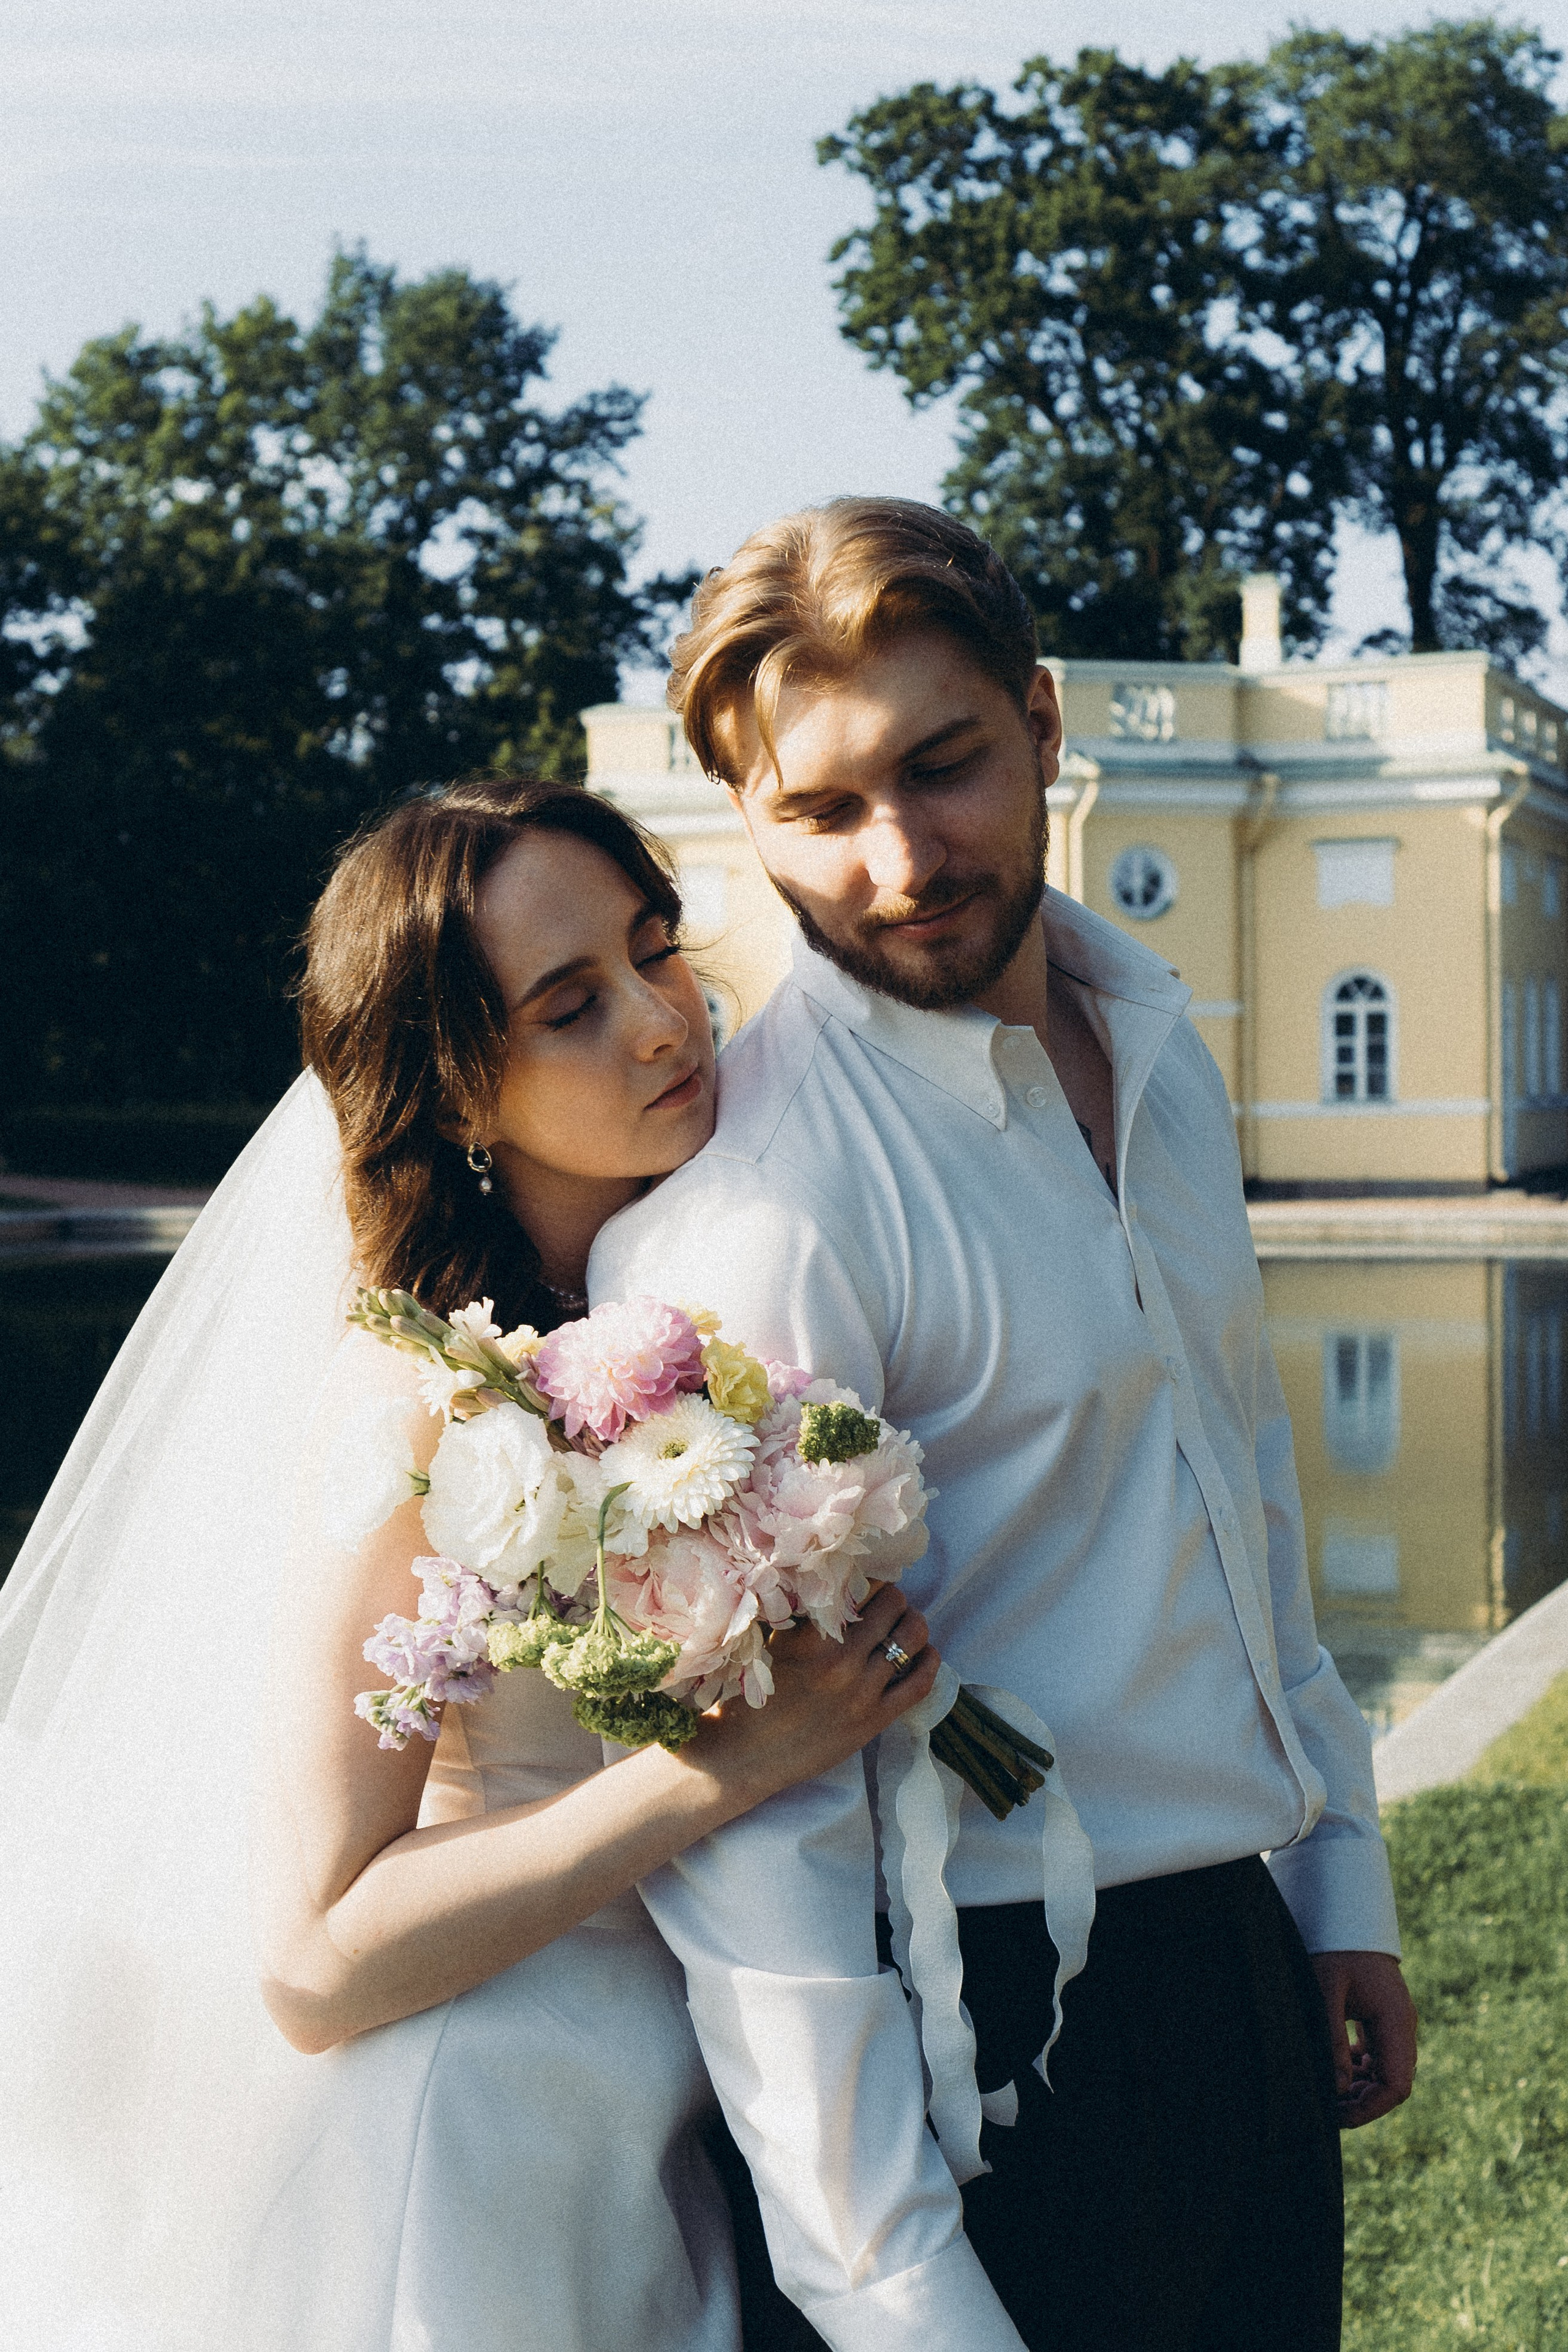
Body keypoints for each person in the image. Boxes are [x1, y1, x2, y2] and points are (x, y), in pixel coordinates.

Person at [589, 499, 1420, 2352]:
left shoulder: (1155, 1048)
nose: (899, 861)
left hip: (1234, 1969)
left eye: (942, 766)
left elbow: (1244, 1480)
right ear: (744, 823)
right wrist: (901, 2299)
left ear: (1042, 726)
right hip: (980, 2048)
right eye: (819, 809)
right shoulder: (762, 1218)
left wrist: (1332, 1878)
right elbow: (755, 1856)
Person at [0, 775, 937, 2352]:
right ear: (451, 1093)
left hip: (647, 2117)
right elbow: (314, 1959)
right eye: (571, 1007)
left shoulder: (683, 1311)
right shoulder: (416, 1401)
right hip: (460, 2145)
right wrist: (723, 1767)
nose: (663, 1021)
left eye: (656, 948)